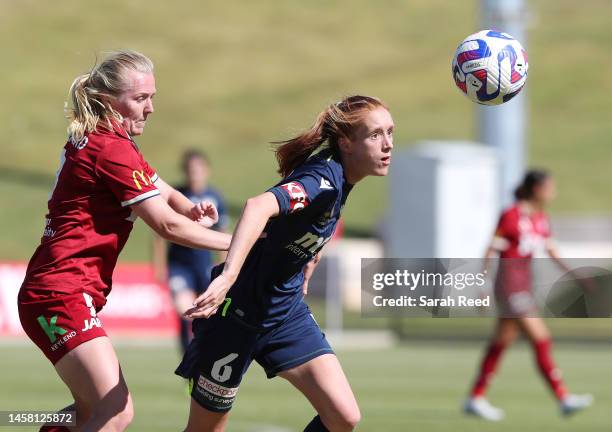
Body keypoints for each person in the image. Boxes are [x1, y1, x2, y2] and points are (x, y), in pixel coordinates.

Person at [17, 51, 231, 432]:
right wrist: (241, 242)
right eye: (140, 99)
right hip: (60, 293)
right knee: (116, 411)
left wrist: (187, 205)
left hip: (58, 289)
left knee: (88, 412)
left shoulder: (107, 140)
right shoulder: (111, 149)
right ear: (108, 100)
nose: (150, 109)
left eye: (152, 97)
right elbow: (166, 226)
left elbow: (157, 185)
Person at [175, 95, 394, 431]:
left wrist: (311, 252)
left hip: (285, 313)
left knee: (343, 417)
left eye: (390, 133)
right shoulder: (324, 179)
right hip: (236, 316)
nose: (387, 145)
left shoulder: (339, 183)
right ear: (346, 143)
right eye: (375, 135)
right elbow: (257, 207)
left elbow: (304, 223)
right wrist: (228, 275)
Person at [463, 170, 593, 421]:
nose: (553, 192)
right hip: (509, 288)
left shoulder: (540, 218)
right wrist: (482, 287)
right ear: (536, 189)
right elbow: (490, 250)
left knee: (501, 343)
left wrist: (576, 275)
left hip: (523, 288)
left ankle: (476, 397)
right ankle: (563, 398)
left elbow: (552, 252)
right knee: (541, 338)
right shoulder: (511, 215)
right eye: (550, 187)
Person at [153, 150, 229, 353]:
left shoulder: (215, 197)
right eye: (190, 169)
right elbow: (160, 234)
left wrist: (225, 267)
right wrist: (159, 267)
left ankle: (204, 353)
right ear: (185, 171)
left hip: (204, 265)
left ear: (206, 171)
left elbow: (222, 233)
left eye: (198, 169)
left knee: (209, 313)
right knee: (184, 310)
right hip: (179, 266)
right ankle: (188, 356)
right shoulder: (177, 195)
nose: (194, 173)